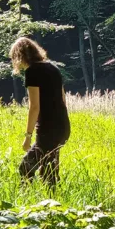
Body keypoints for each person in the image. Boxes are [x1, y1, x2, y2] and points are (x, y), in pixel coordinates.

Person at [10, 37, 70, 188]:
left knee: (25, 168)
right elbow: (63, 99)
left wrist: (28, 137)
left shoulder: (32, 72)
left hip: (47, 129)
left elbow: (34, 106)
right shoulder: (53, 68)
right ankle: (52, 205)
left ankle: (25, 203)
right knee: (49, 173)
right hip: (63, 126)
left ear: (20, 56)